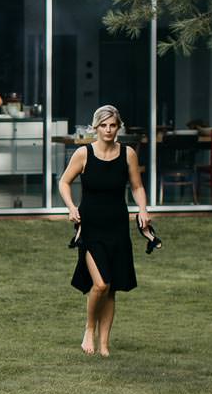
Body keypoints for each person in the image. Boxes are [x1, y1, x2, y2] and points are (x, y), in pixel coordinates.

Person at [59, 104, 151, 358]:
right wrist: (70, 207)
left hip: (118, 227)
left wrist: (142, 210)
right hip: (91, 227)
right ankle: (89, 328)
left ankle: (105, 345)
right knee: (100, 284)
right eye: (103, 125)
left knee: (111, 288)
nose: (108, 130)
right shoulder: (83, 154)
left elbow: (137, 186)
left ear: (118, 127)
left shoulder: (128, 154)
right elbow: (64, 182)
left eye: (113, 125)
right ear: (95, 127)